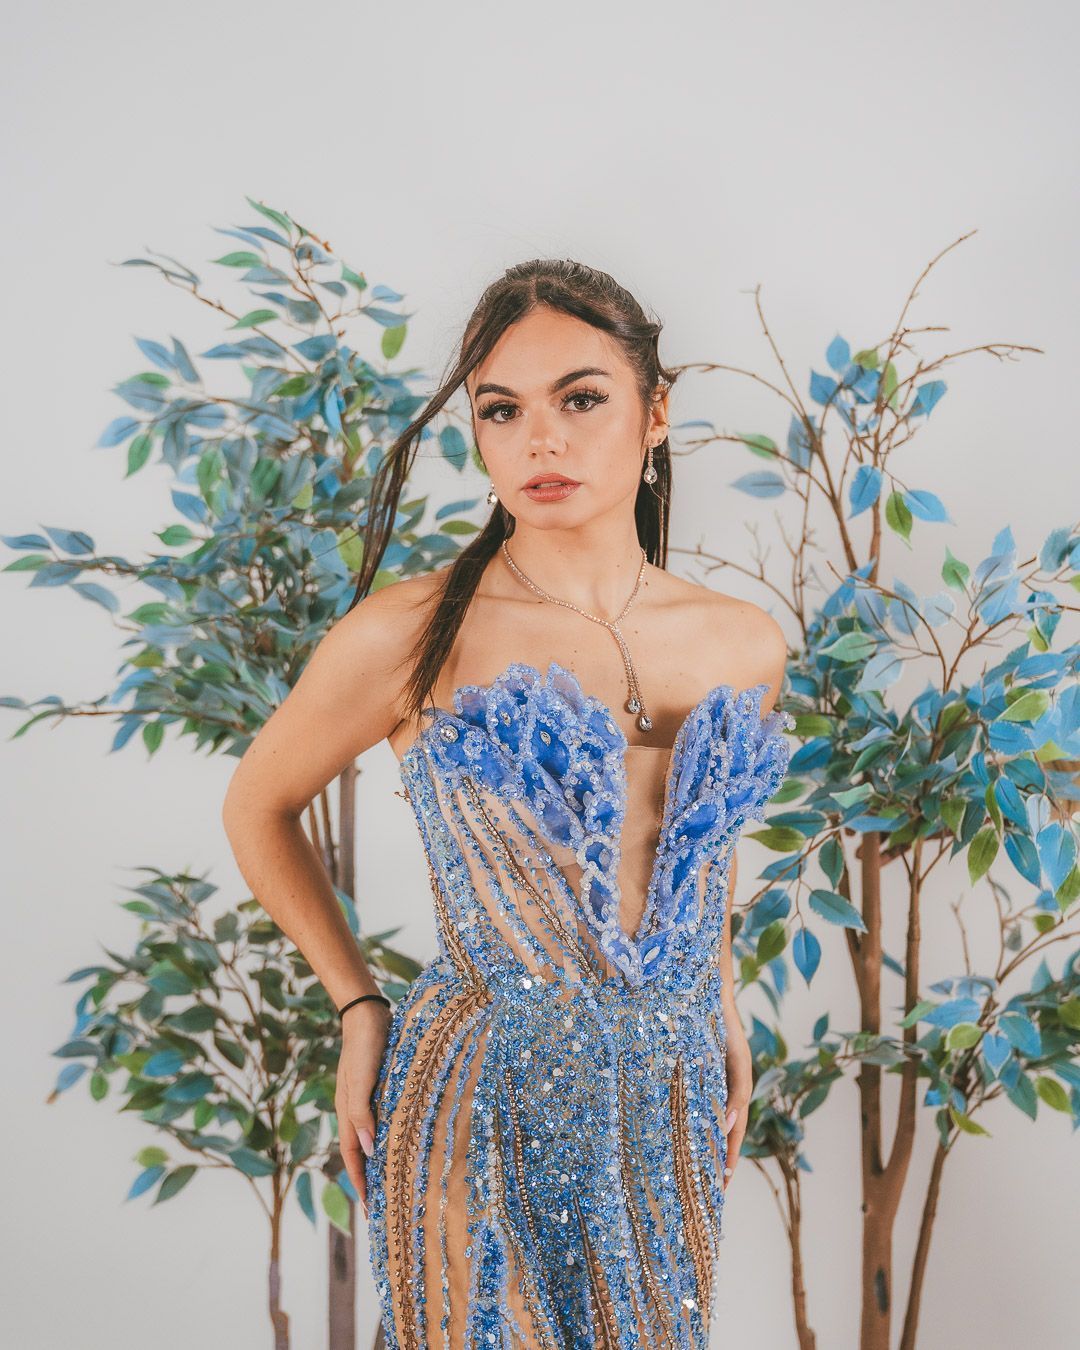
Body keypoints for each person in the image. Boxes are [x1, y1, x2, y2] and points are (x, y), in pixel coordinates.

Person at [222, 259, 794, 1348]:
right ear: (477, 437)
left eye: (582, 398)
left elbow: (703, 854)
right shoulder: (408, 634)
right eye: (502, 410)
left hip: (668, 1085)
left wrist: (718, 999)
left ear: (655, 413)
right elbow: (257, 806)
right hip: (483, 1087)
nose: (543, 439)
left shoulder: (742, 640)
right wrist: (358, 1006)